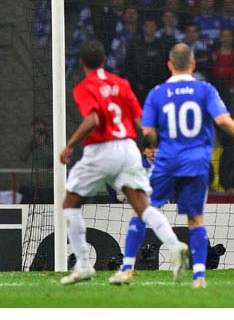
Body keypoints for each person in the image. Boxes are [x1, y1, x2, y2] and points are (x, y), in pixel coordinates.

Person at [109, 44, 234, 289]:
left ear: (169, 65)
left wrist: (160, 140)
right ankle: (198, 276)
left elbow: (147, 131)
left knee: (142, 211)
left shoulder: (157, 92)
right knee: (195, 218)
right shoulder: (205, 89)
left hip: (166, 160)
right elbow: (221, 119)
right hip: (196, 161)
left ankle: (127, 269)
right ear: (193, 64)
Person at [59, 40, 189, 285]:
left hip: (102, 149)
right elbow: (141, 122)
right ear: (105, 61)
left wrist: (70, 145)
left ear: (80, 63)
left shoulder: (84, 87)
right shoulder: (121, 84)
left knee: (70, 204)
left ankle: (84, 264)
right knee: (143, 206)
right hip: (128, 147)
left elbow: (93, 120)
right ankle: (175, 246)